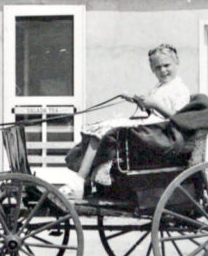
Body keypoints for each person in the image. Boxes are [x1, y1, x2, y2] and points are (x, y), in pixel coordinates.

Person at [61, 43, 191, 198]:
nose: (163, 70)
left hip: (161, 134)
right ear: (152, 69)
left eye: (166, 65)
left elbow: (178, 119)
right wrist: (137, 101)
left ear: (177, 62)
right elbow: (153, 110)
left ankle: (80, 180)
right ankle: (87, 179)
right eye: (157, 68)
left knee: (106, 128)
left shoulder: (180, 89)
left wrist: (154, 104)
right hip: (152, 127)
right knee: (100, 128)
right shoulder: (160, 87)